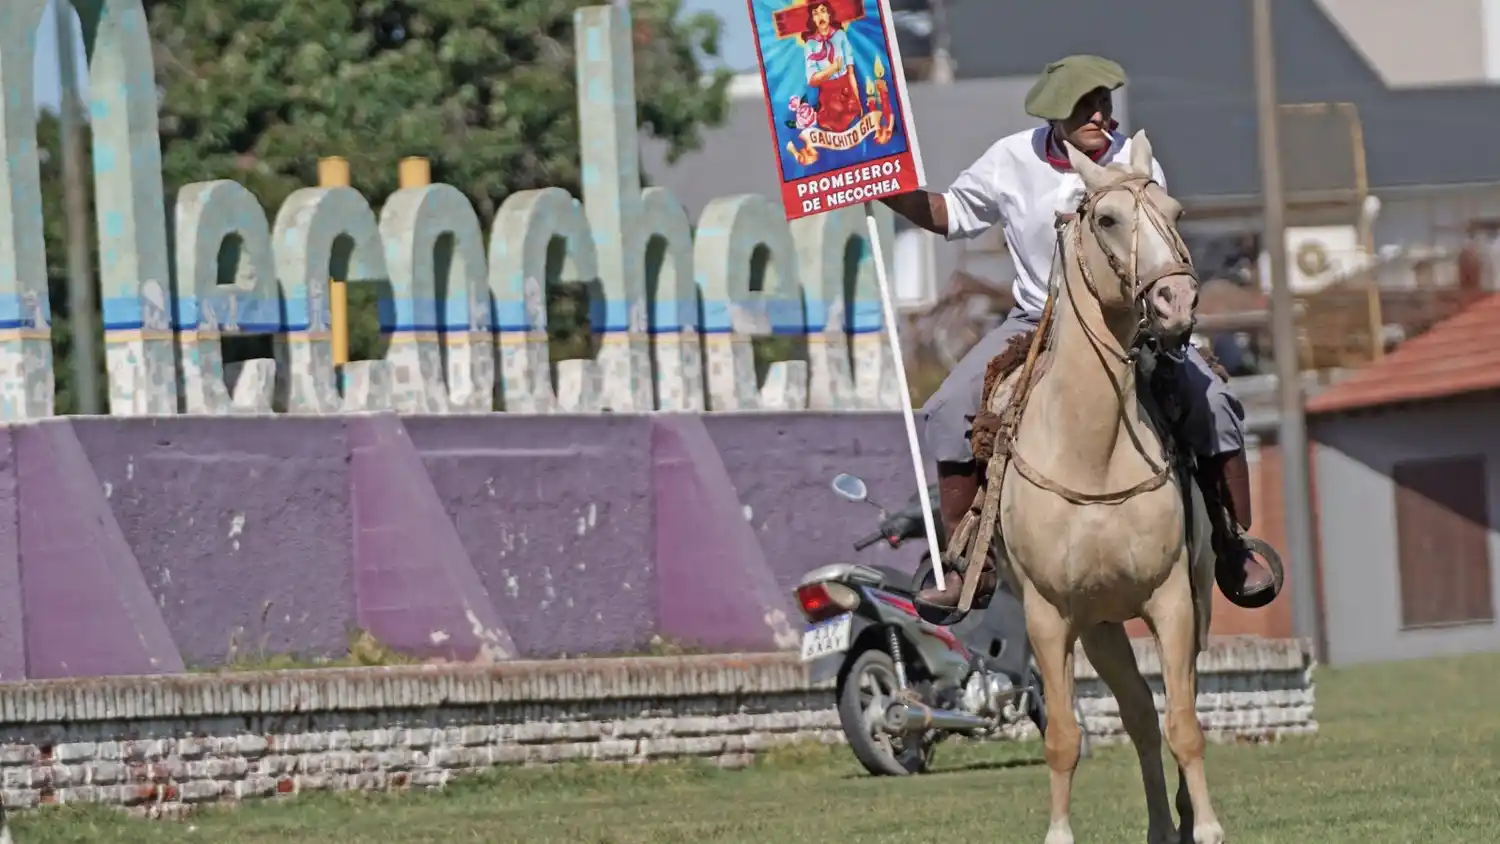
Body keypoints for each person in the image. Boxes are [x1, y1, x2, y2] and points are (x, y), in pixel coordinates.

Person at [881, 55, 1280, 611]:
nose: (1100, 116)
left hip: (1128, 326)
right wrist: (881, 186)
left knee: (1210, 400)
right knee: (948, 410)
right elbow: (949, 214)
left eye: (1104, 104)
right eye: (1085, 107)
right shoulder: (1009, 160)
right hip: (1033, 323)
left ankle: (1234, 547)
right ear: (1055, 115)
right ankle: (968, 563)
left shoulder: (1135, 162)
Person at [802, 1, 862, 133]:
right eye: (815, 13)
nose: (820, 16)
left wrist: (858, 100)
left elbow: (851, 72)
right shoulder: (810, 45)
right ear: (812, 19)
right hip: (828, 102)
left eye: (823, 11)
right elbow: (812, 80)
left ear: (829, 14)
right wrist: (832, 69)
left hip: (847, 96)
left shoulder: (840, 35)